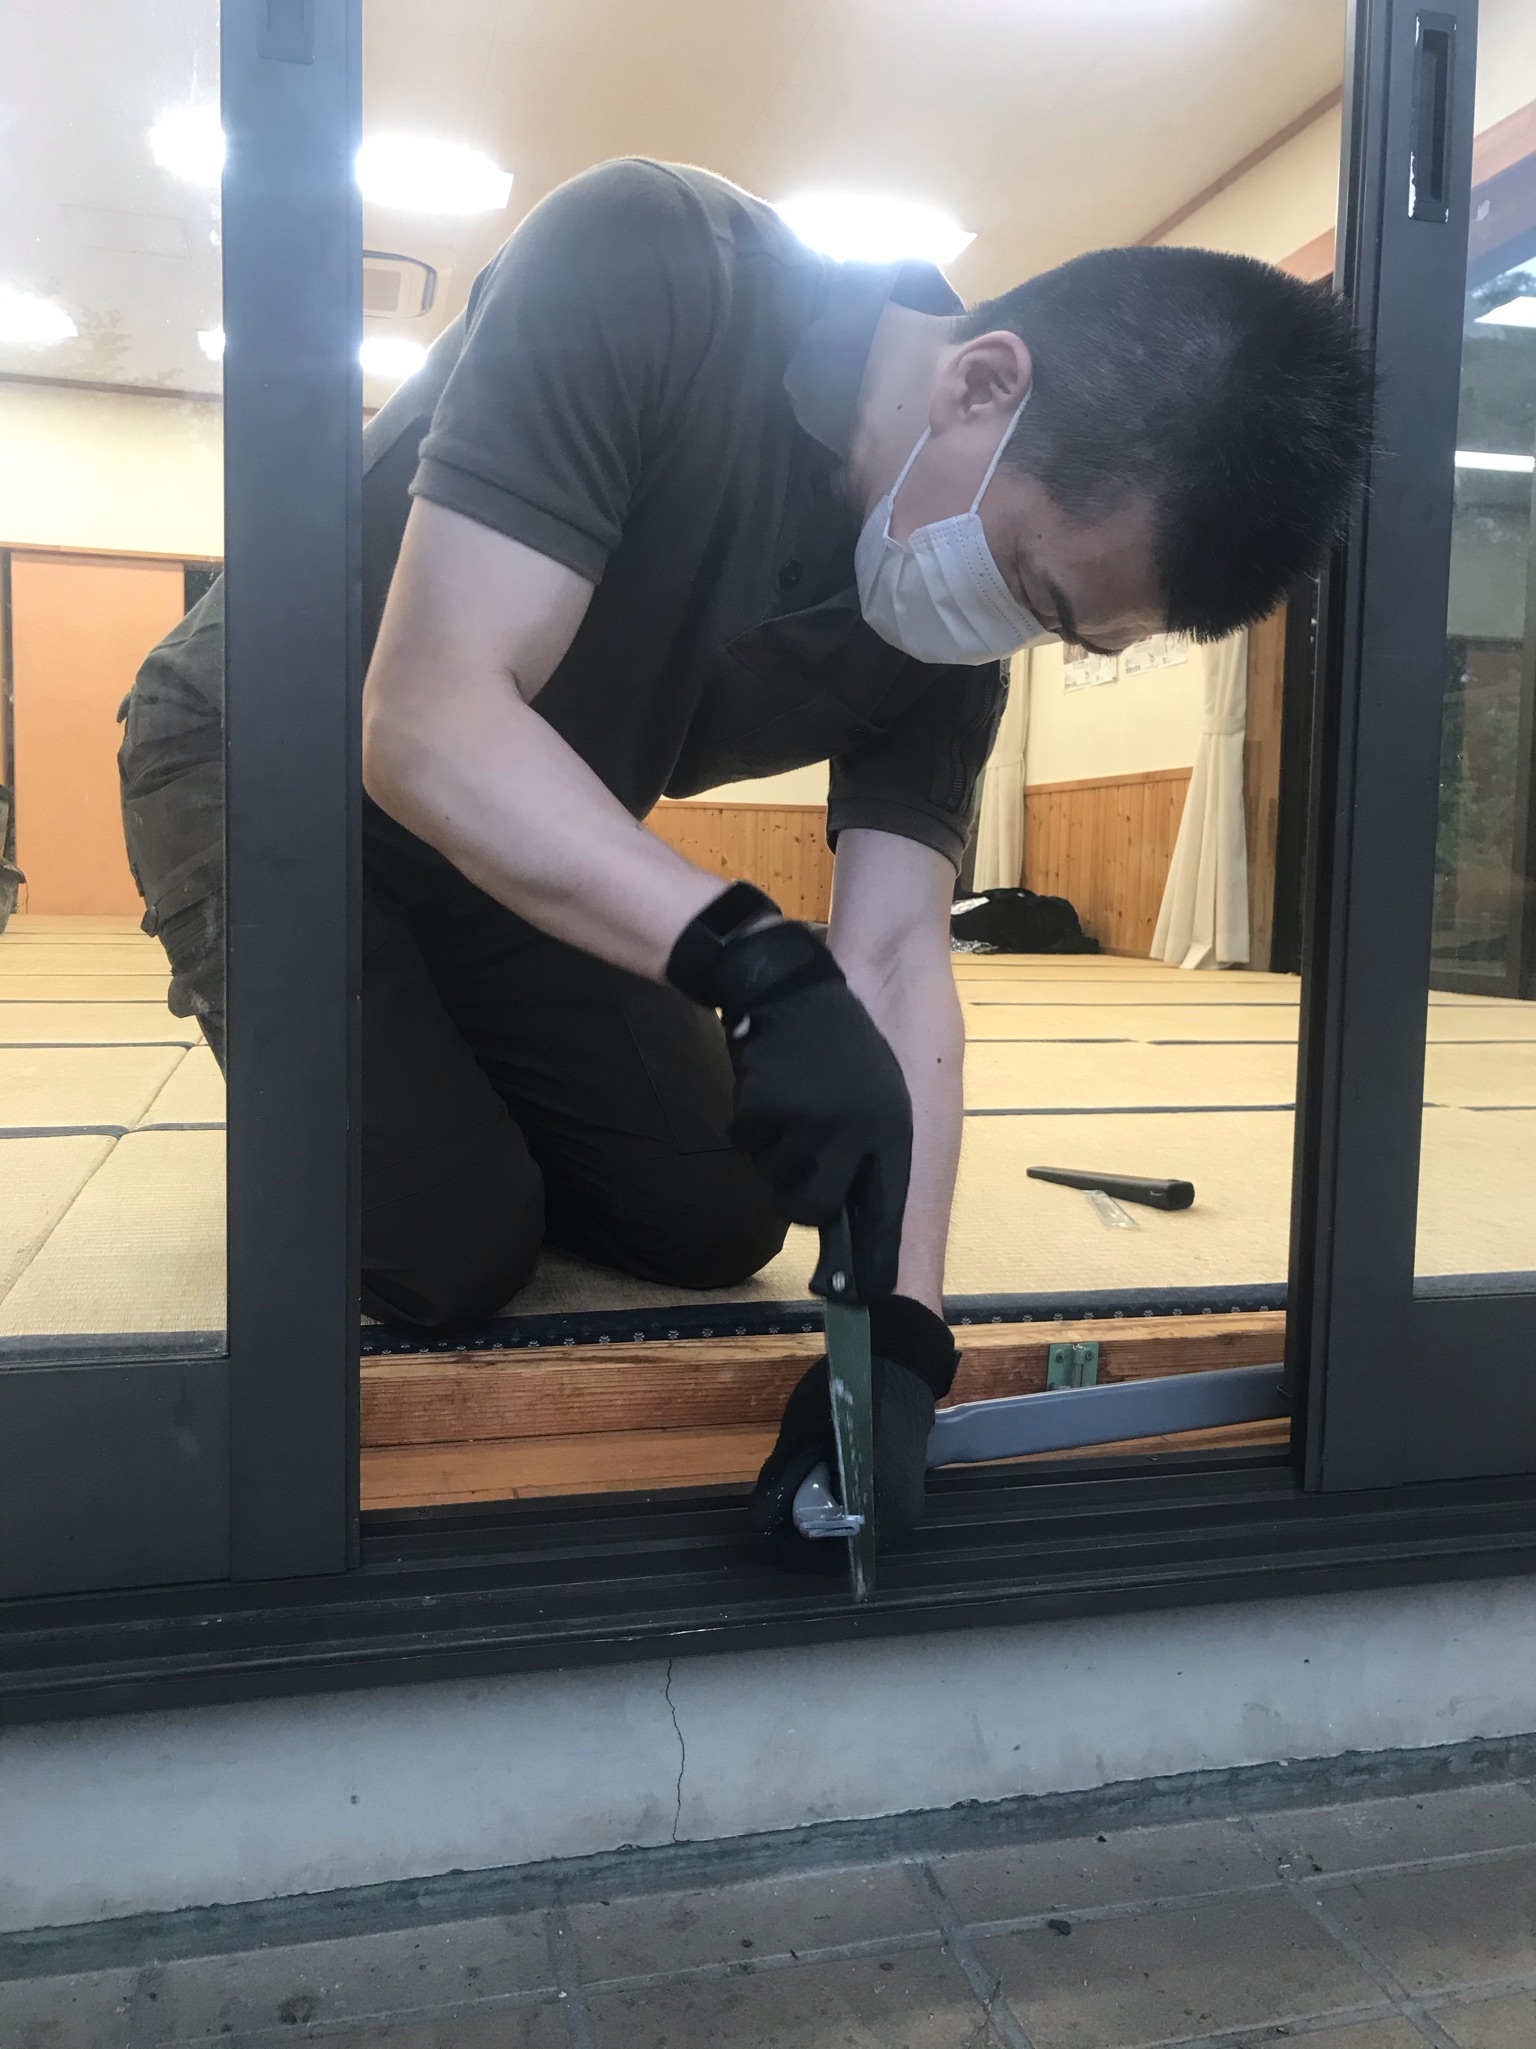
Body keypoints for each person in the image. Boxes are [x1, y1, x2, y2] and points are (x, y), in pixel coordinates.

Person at [119, 158, 1372, 1563]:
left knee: (717, 1212)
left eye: (1059, 631)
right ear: (981, 383)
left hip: (523, 832)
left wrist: (904, 1339)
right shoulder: (649, 265)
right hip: (267, 762)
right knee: (452, 1247)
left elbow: (897, 948)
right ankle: (321, 1051)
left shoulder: (951, 614)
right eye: (1034, 586)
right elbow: (427, 719)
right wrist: (754, 958)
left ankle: (410, 1052)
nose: (1012, 634)